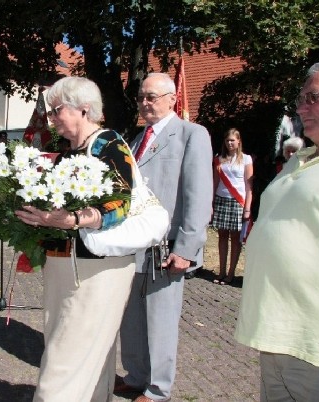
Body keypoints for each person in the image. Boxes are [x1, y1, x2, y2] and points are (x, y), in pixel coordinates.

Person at [235, 57, 319, 402]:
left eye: (313, 97)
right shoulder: (299, 158)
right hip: (278, 340)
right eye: (300, 99)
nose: (301, 108)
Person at [14, 76, 147, 401]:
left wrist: (70, 219)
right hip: (66, 267)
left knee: (62, 368)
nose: (51, 118)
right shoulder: (70, 152)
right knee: (91, 361)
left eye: (57, 110)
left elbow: (118, 203)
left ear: (84, 109)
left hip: (95, 270)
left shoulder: (108, 144)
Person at [117, 72, 213, 402]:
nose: (145, 103)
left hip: (167, 247)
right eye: (141, 97)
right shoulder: (134, 140)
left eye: (152, 97)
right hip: (133, 246)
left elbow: (198, 196)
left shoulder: (191, 135)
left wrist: (186, 247)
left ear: (172, 98)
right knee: (131, 318)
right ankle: (135, 375)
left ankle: (158, 389)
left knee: (160, 319)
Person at [210, 128, 253, 285]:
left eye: (232, 140)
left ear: (238, 141)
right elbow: (214, 182)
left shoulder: (246, 159)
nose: (230, 143)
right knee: (222, 236)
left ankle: (230, 273)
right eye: (227, 140)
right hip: (221, 200)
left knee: (235, 239)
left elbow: (249, 186)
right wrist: (211, 203)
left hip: (237, 201)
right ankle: (221, 271)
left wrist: (247, 207)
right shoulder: (219, 158)